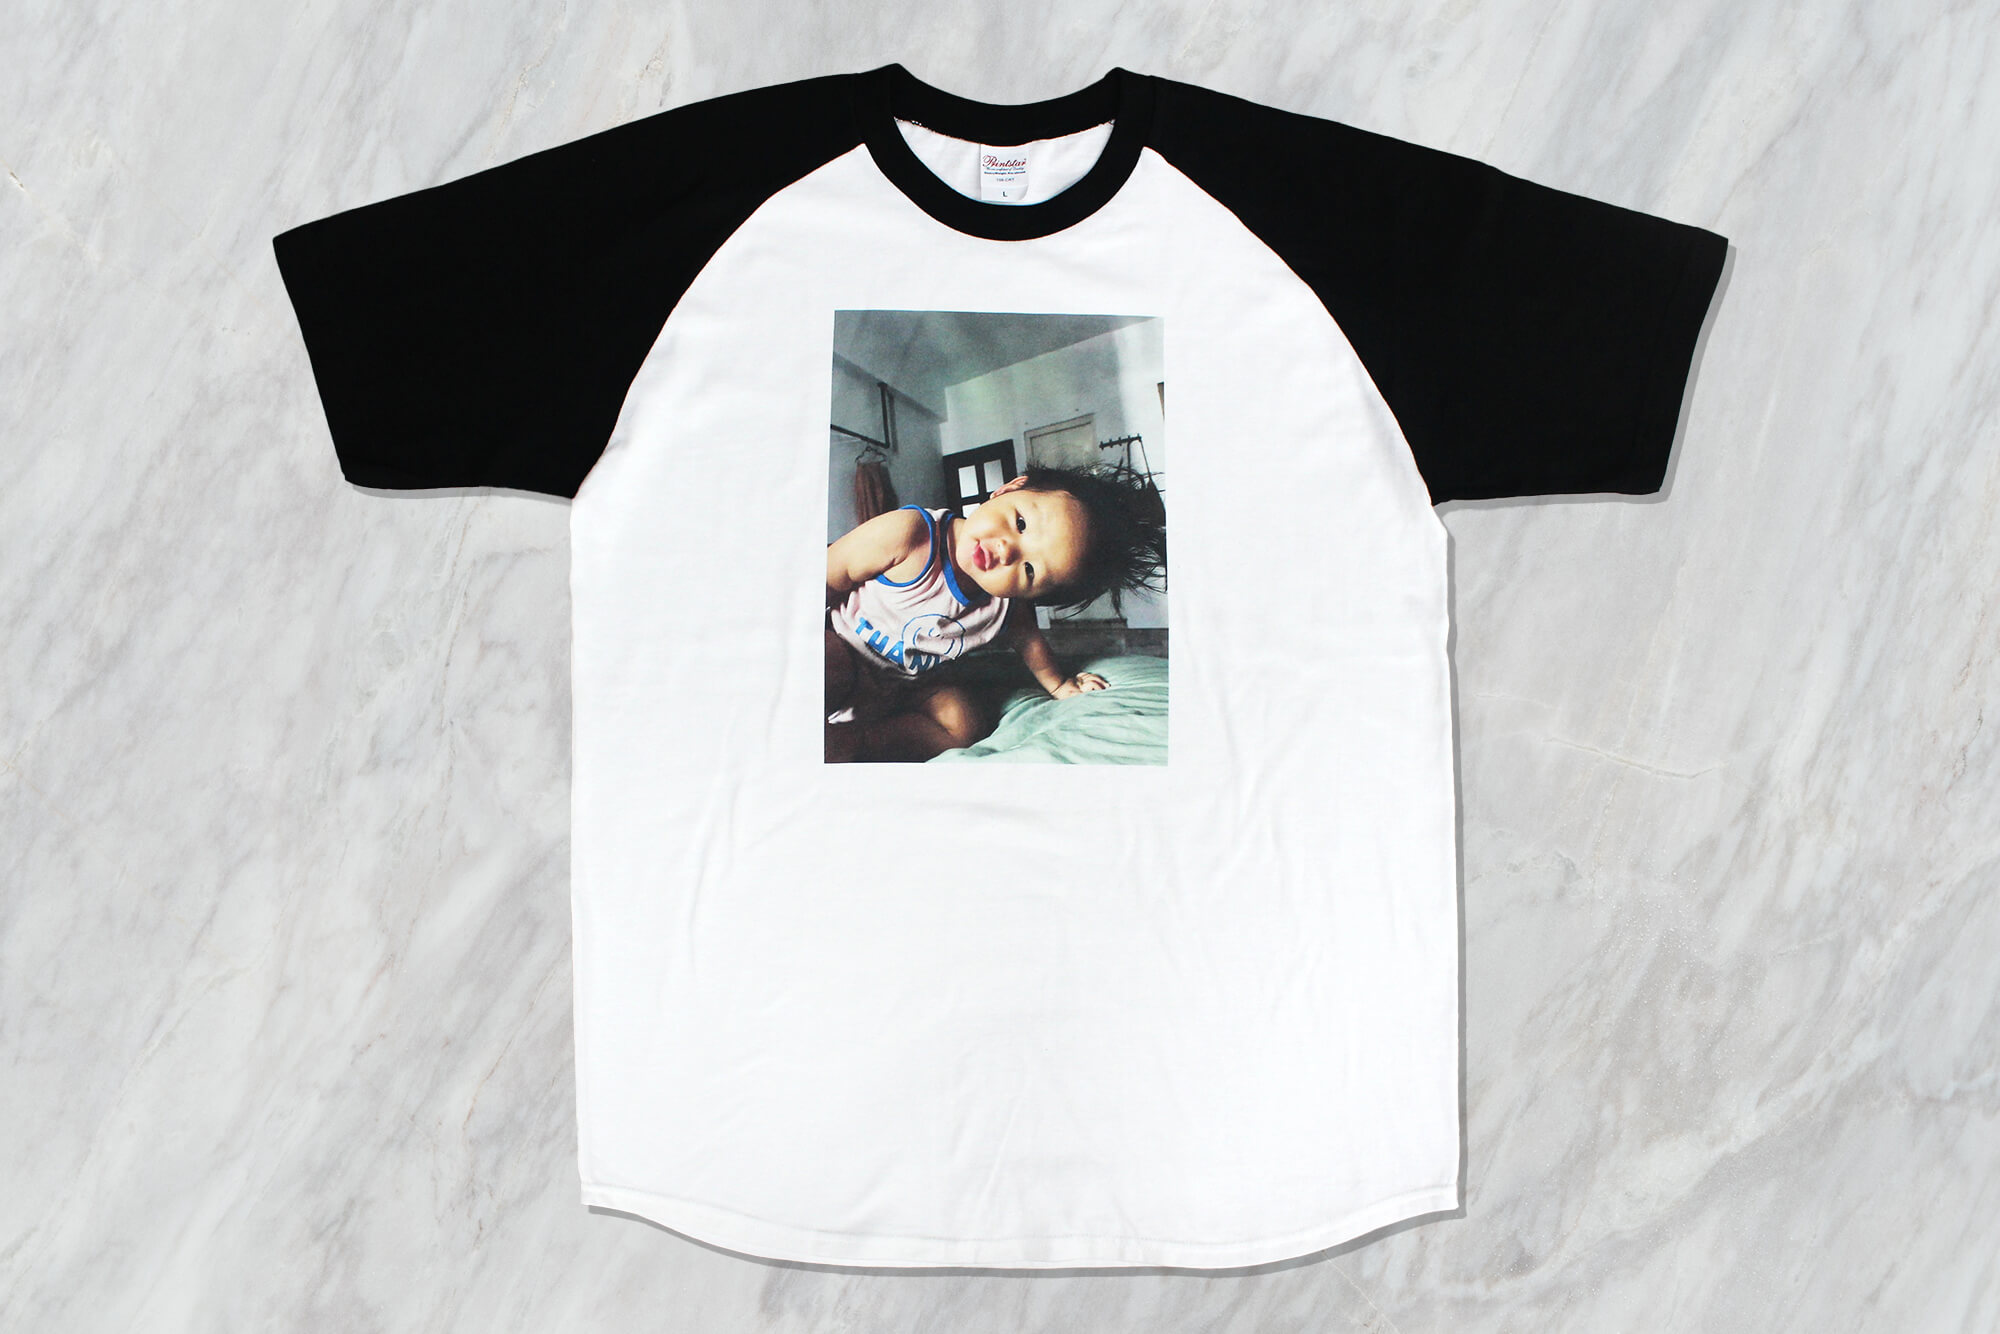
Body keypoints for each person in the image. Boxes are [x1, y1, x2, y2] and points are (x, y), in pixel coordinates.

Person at [825, 463, 1167, 763]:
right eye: (1020, 523)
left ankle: (858, 741)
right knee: (828, 661)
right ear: (1008, 489)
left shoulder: (1005, 604)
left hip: (904, 685)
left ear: (1031, 593)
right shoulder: (911, 535)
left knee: (963, 723)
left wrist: (1061, 684)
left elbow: (1029, 641)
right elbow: (823, 578)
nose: (1006, 551)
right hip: (843, 647)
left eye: (1030, 570)